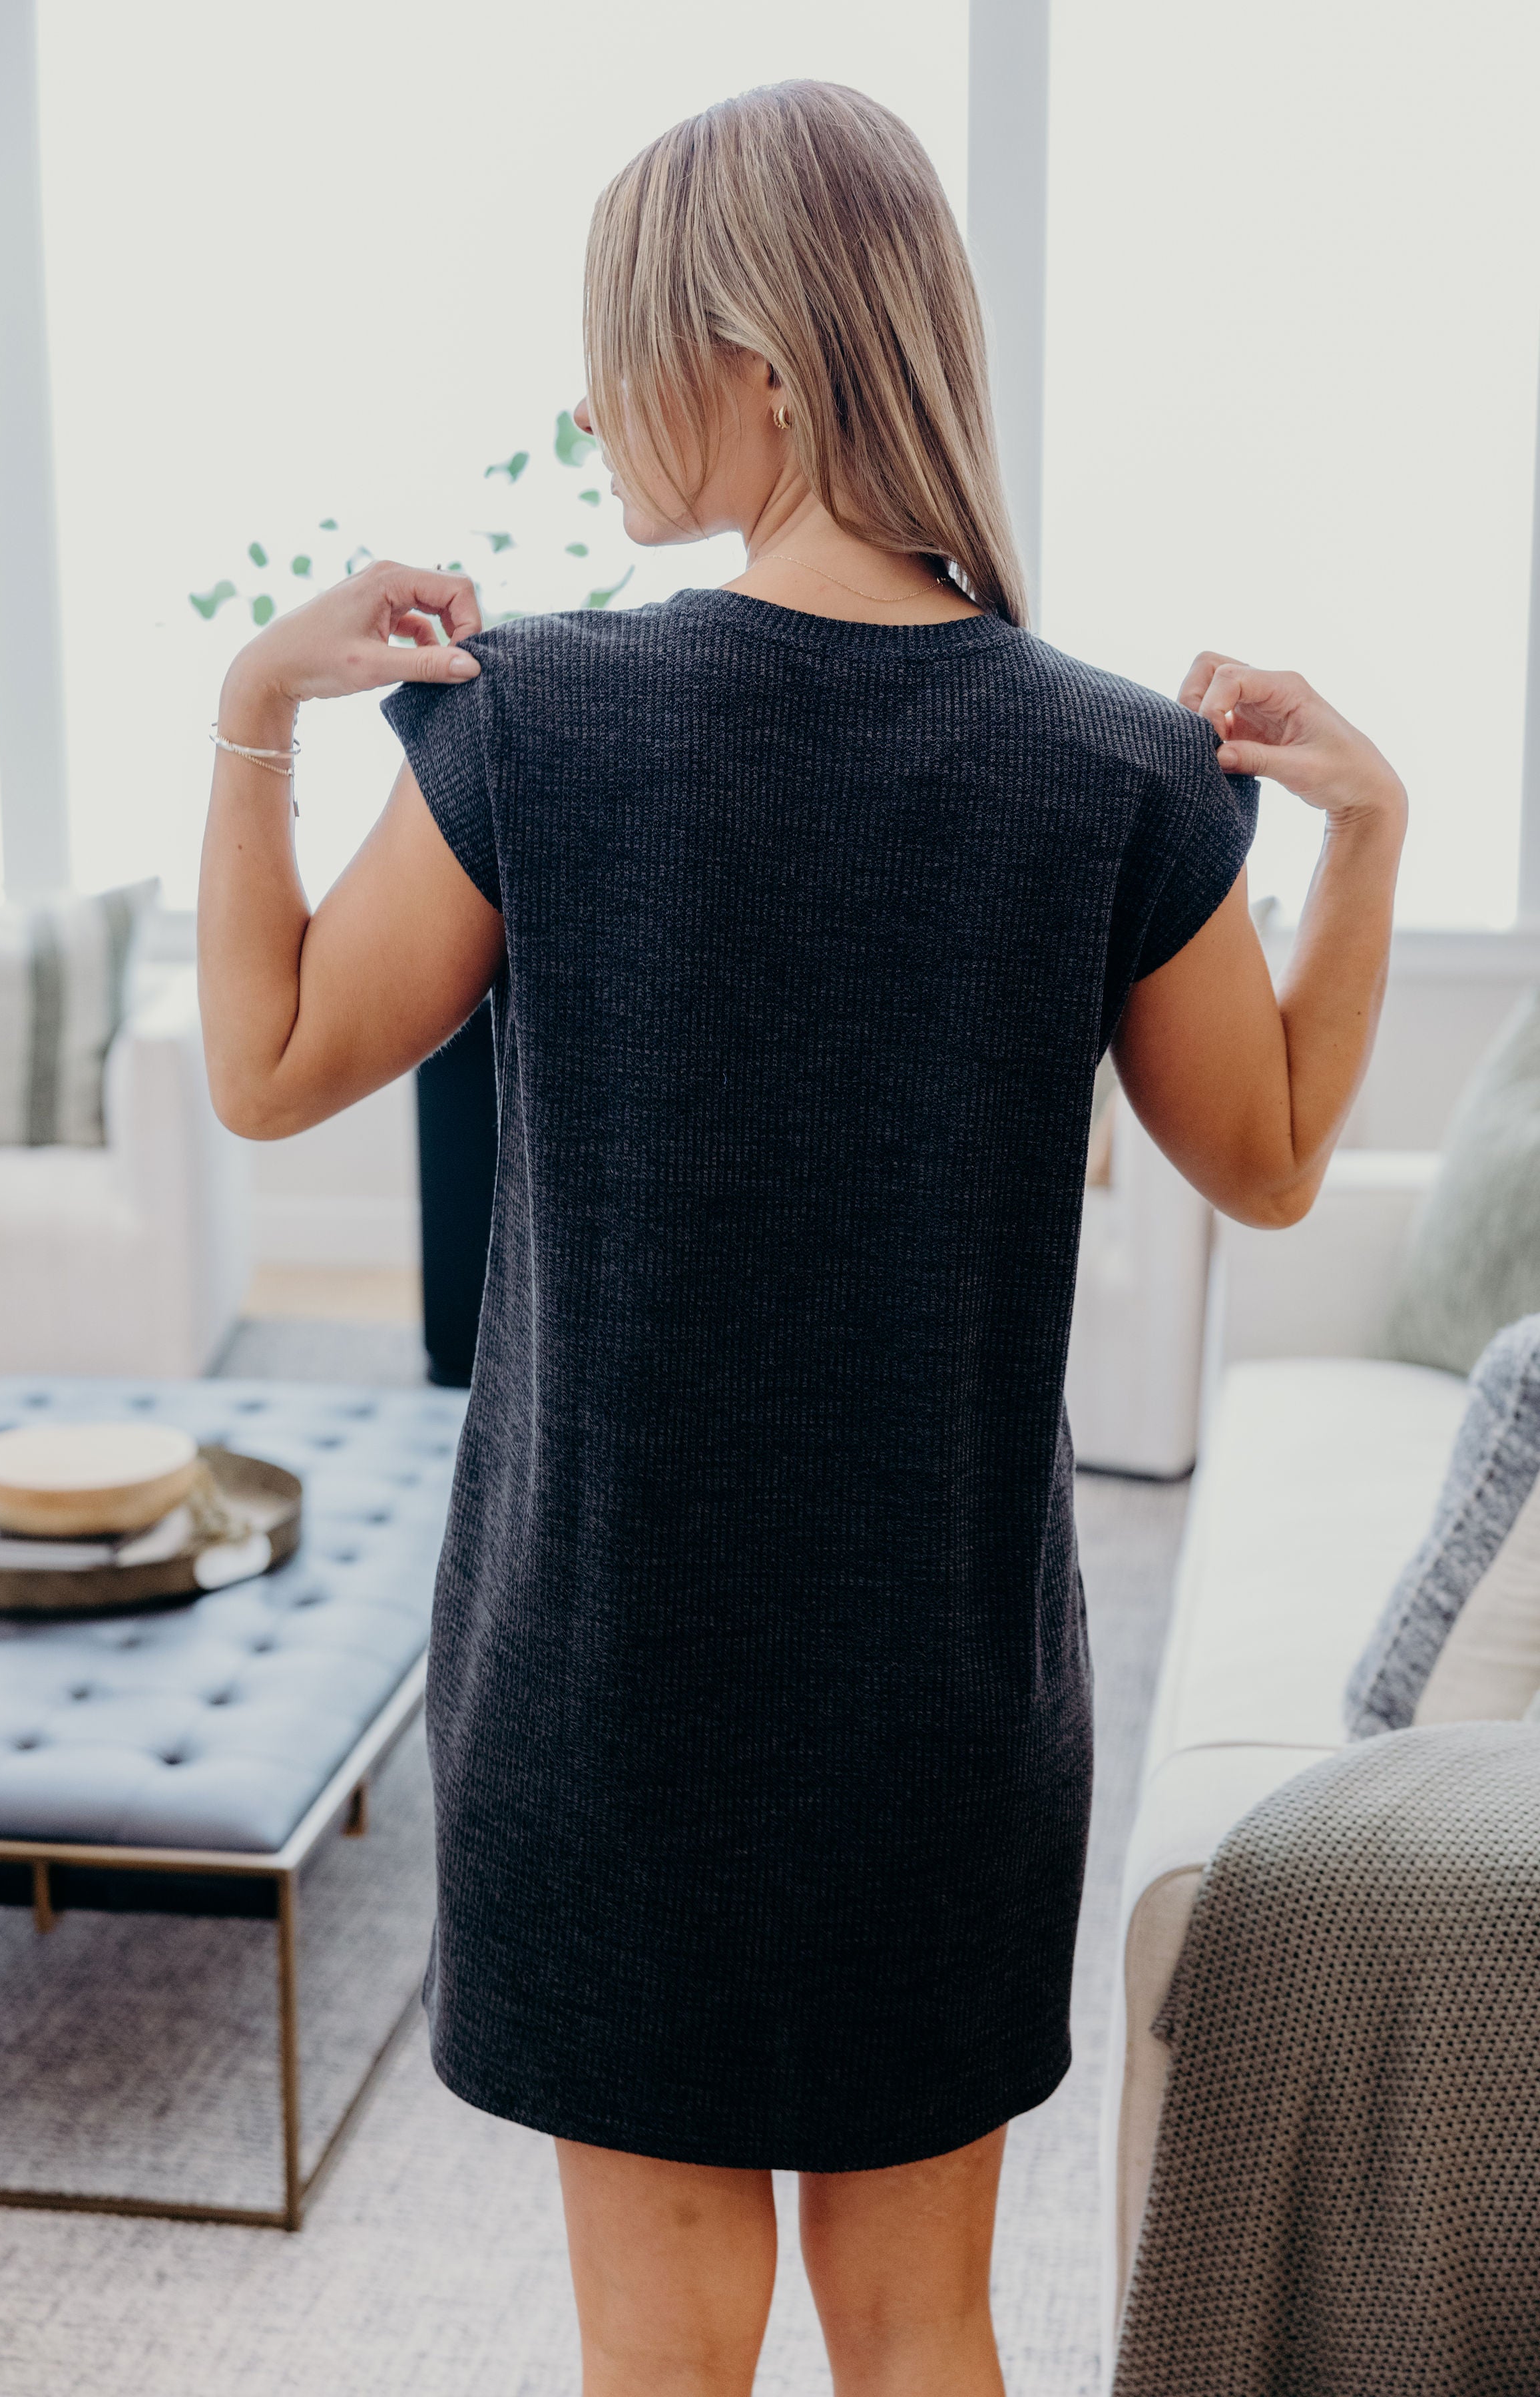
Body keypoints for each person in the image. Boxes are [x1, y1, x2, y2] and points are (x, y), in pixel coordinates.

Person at [197, 79, 1407, 2397]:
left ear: (752, 356)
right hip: (938, 1713)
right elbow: (1262, 1161)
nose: (588, 401)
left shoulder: (538, 722)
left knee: (659, 2348)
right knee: (919, 2328)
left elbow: (265, 1071)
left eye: (619, 342)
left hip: (603, 1688)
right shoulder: (1117, 771)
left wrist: (259, 708)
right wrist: (1367, 838)